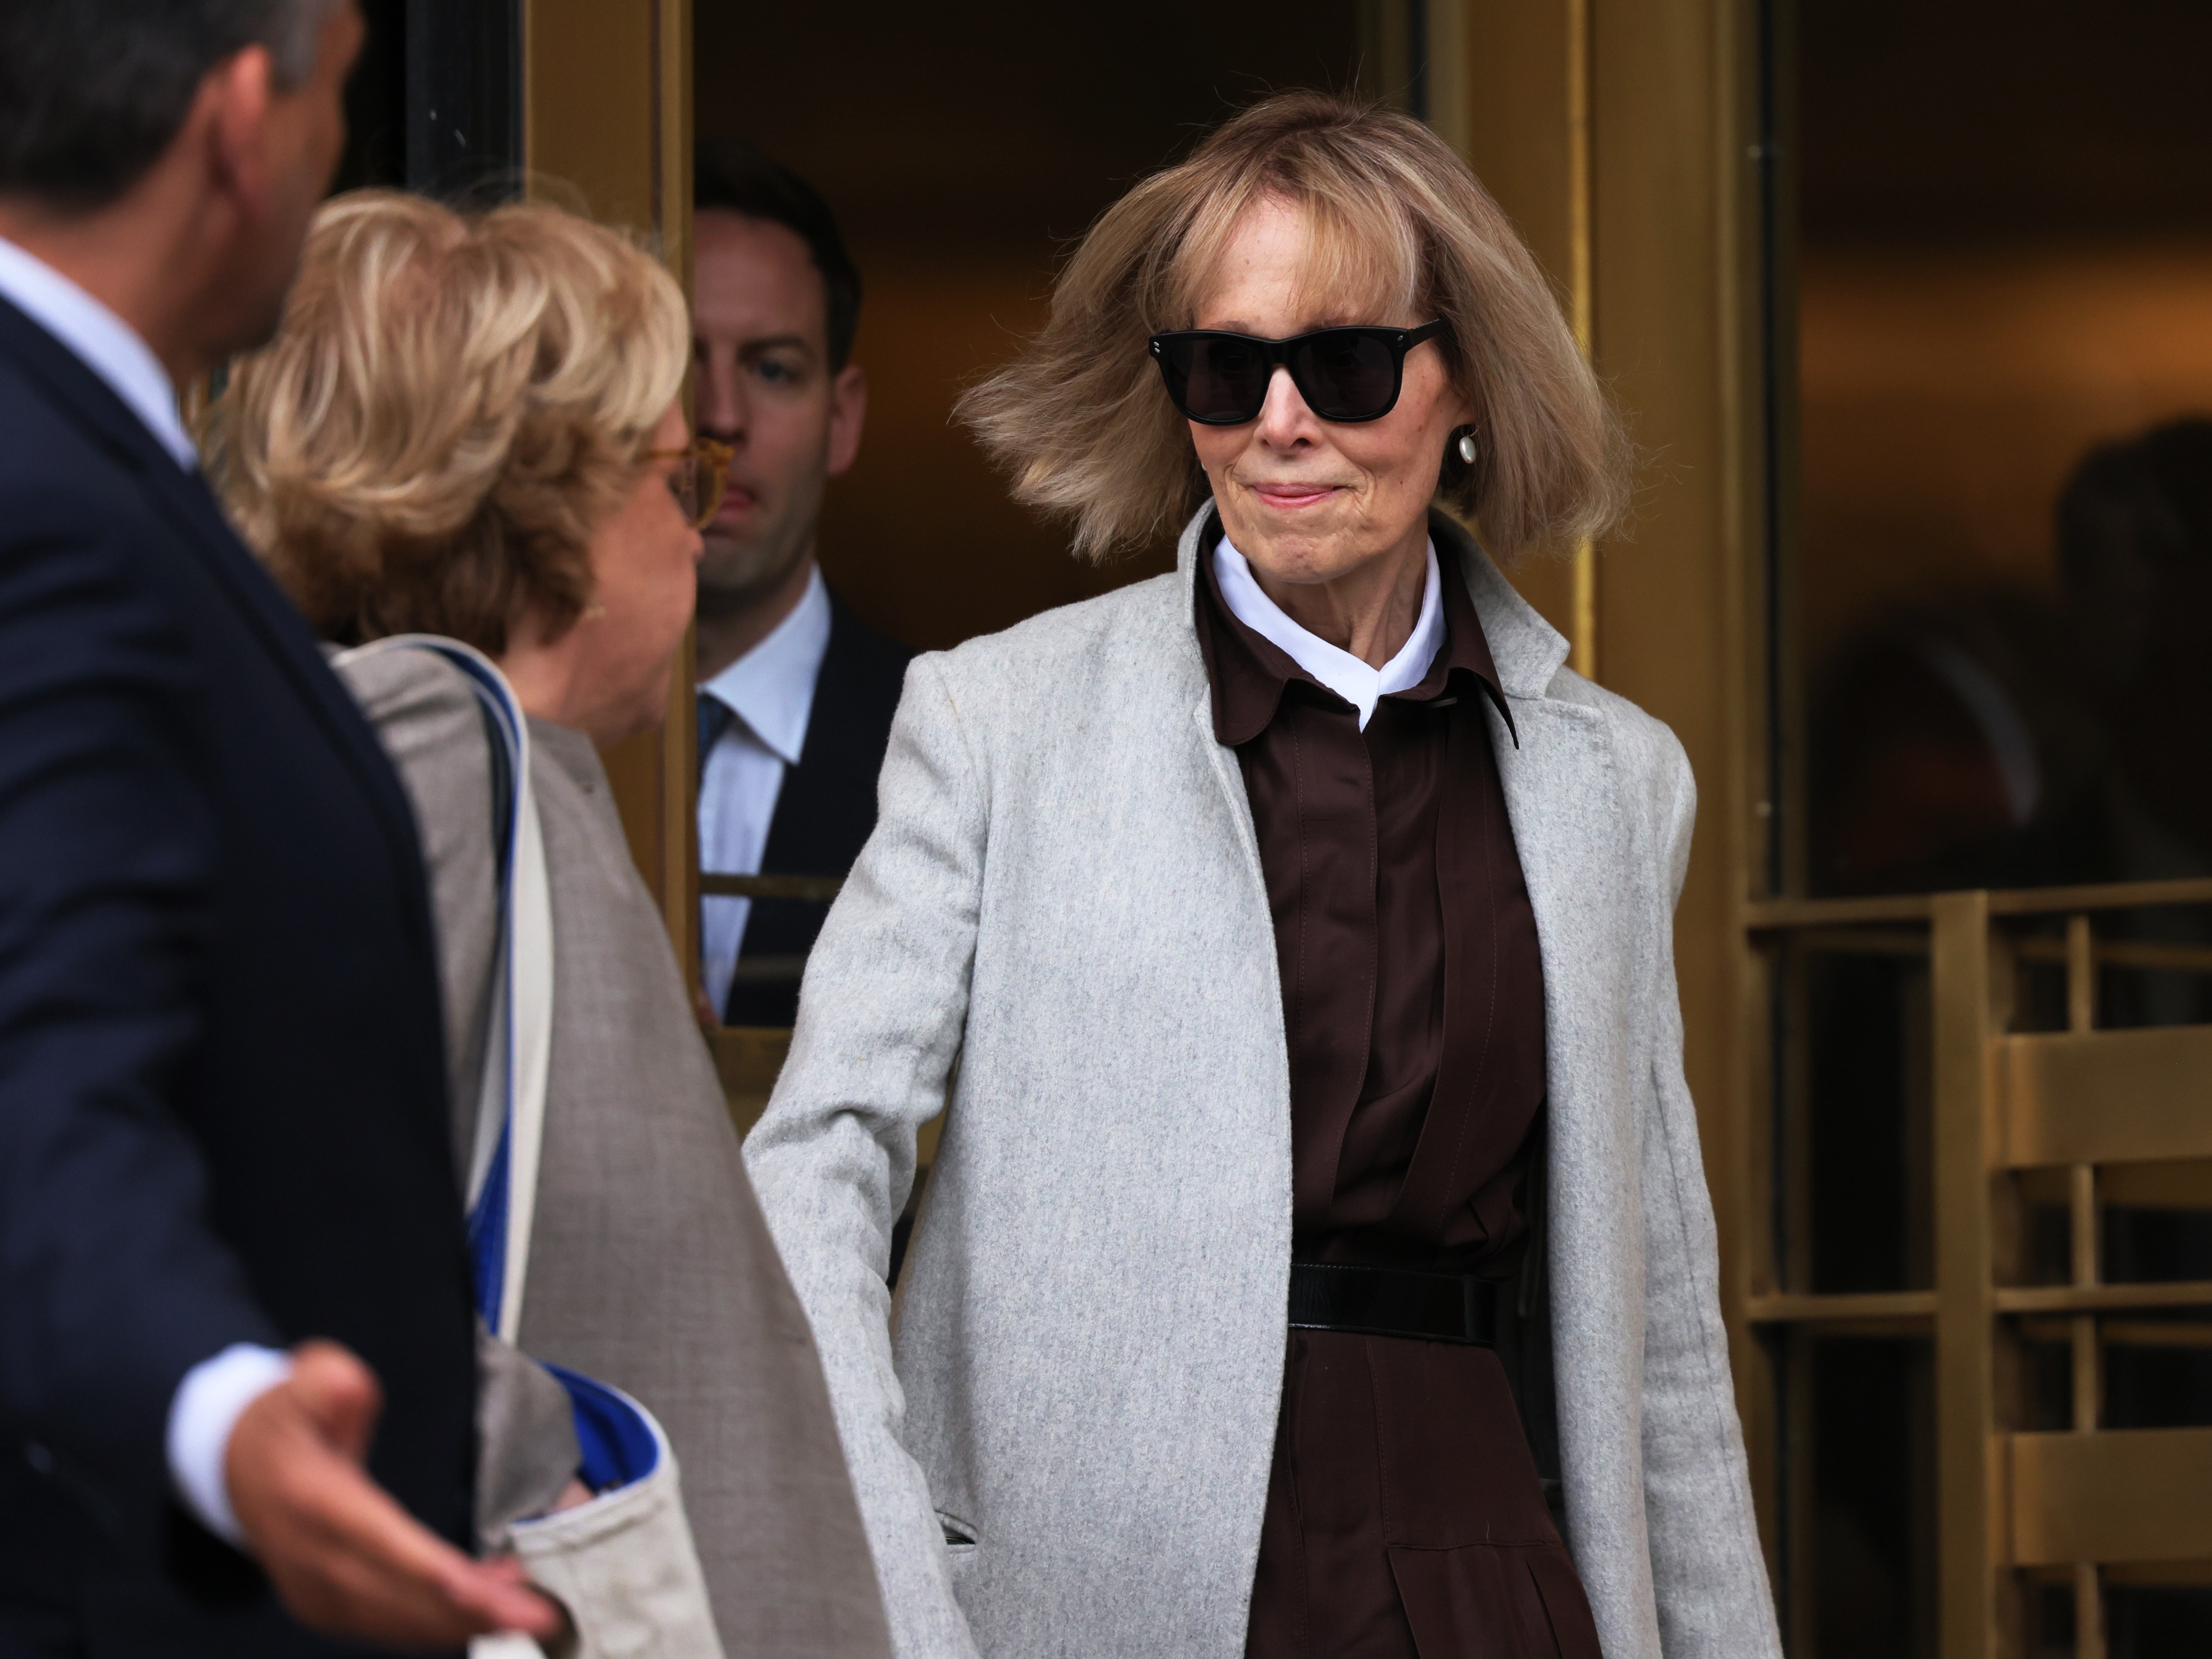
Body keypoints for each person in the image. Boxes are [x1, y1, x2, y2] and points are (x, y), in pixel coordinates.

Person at [745, 92, 1782, 1659]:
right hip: (1085, 1590)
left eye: (1344, 363)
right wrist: (895, 1593)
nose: (1277, 422)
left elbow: (1658, 1332)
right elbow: (812, 1168)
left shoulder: (1610, 782)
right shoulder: (994, 723)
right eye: (1223, 369)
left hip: (1485, 1578)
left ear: (1463, 387)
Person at [209, 188, 894, 1659]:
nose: (696, 531)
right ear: (552, 504)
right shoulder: (430, 743)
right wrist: (563, 1475)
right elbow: (276, 1229)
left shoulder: (476, 758)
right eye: (672, 475)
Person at [0, 4, 562, 1655]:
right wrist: (220, 1405)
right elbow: (36, 1057)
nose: (339, 159)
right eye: (341, 95)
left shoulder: (91, 462)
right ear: (245, 125)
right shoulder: (49, 507)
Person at [691, 139, 914, 1028]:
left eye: (771, 368)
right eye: (679, 356)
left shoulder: (945, 745)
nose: (718, 416)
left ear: (843, 418)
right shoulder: (531, 726)